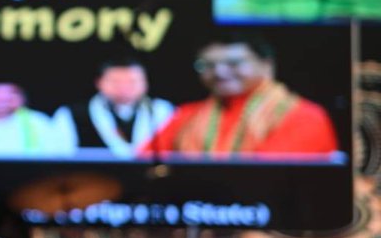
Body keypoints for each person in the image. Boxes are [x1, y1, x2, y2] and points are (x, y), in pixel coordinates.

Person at [141, 33, 338, 157]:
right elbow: (143, 164)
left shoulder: (304, 117)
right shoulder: (187, 115)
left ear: (267, 65)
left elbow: (266, 178)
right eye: (207, 65)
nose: (219, 72)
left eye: (234, 63)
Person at [51, 57, 174, 158]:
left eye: (132, 81)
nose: (124, 88)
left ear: (145, 83)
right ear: (99, 83)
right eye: (115, 81)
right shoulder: (70, 114)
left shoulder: (164, 112)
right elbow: (59, 158)